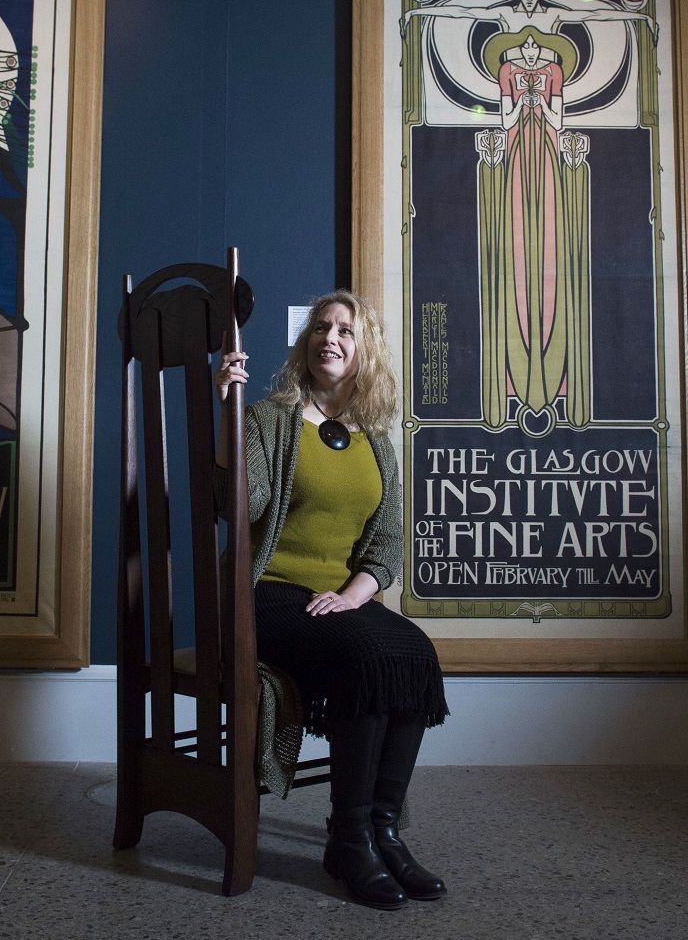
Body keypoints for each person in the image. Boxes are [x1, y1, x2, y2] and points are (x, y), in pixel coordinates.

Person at [213, 290, 449, 910]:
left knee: (414, 655)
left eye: (346, 330)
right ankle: (349, 841)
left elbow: (385, 552)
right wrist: (230, 414)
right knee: (368, 657)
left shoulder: (377, 443)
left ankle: (382, 833)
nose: (331, 338)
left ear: (364, 349)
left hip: (338, 601)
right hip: (270, 596)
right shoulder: (271, 419)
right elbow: (241, 505)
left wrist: (350, 598)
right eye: (321, 328)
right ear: (305, 345)